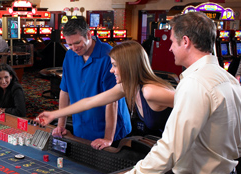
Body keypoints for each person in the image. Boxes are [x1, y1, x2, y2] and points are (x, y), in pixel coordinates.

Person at [84, 12, 241, 174]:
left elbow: (170, 149)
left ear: (185, 41)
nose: (170, 49)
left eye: (172, 42)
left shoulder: (194, 84)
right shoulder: (228, 79)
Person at [37, 41, 174, 138]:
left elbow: (193, 106)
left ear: (128, 66)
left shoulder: (150, 91)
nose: (111, 70)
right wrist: (54, 114)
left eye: (114, 65)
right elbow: (89, 102)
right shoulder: (125, 87)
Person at [53, 18, 131, 150]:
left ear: (88, 35)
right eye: (69, 44)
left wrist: (107, 138)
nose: (74, 48)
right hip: (82, 127)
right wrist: (61, 125)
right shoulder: (70, 55)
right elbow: (64, 91)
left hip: (110, 131)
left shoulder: (108, 55)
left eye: (77, 42)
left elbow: (112, 100)